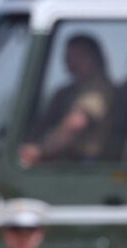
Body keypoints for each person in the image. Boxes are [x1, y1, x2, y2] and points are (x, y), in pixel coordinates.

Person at [18, 34, 114, 167]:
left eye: (79, 57)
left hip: (85, 165)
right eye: (68, 57)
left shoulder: (99, 88)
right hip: (65, 162)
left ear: (95, 58)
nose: (71, 63)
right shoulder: (65, 93)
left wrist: (39, 150)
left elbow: (75, 124)